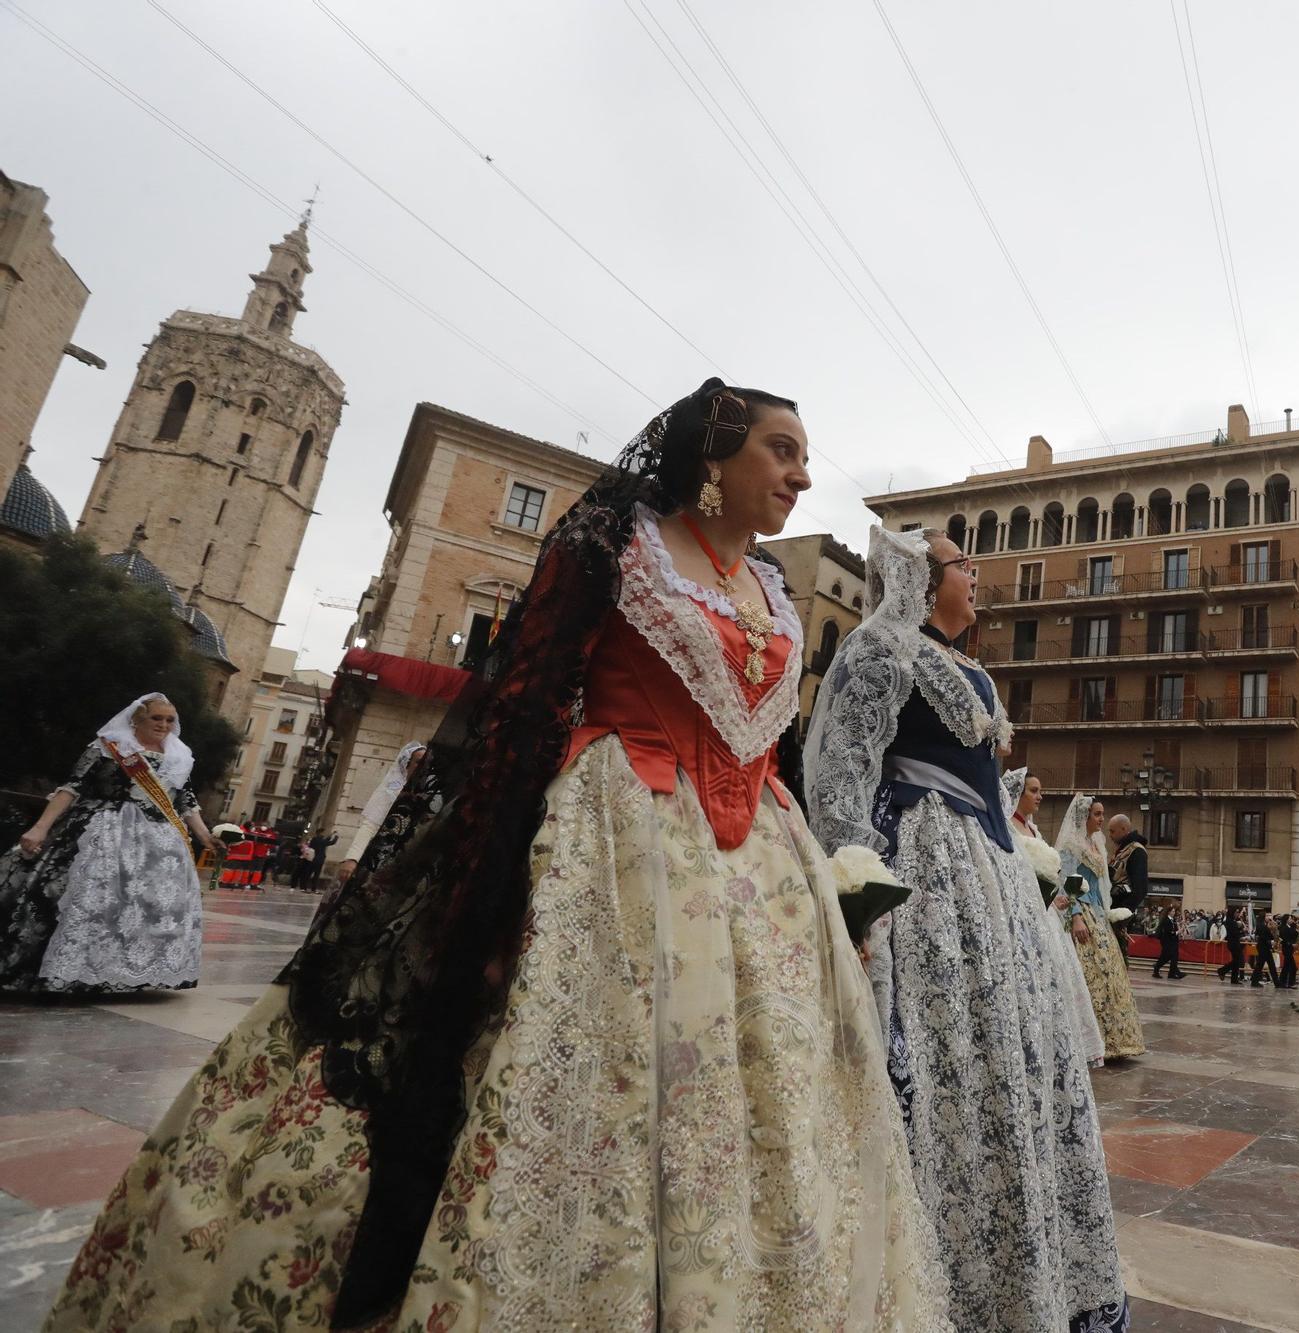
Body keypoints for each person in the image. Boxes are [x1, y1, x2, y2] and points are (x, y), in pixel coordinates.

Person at [46, 381, 950, 1330]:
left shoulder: (772, 588)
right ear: (714, 459)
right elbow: (522, 700)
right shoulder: (622, 547)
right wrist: (487, 871)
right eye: (781, 448)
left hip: (762, 859)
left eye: (804, 453)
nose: (803, 473)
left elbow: (776, 754)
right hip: (619, 836)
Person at [805, 525, 1126, 1332]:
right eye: (961, 564)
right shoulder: (884, 650)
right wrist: (860, 892)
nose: (976, 575)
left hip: (993, 877)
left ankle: (1025, 1273)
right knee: (943, 1055)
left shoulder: (972, 668)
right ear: (918, 575)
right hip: (929, 867)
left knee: (1018, 1056)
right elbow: (842, 771)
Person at [0, 693, 218, 995]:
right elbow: (72, 788)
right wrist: (40, 828)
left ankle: (126, 972)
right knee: (88, 898)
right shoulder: (109, 747)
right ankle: (67, 970)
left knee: (148, 907)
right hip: (105, 831)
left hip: (160, 841)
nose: (164, 724)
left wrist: (206, 836)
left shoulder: (179, 756)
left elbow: (184, 801)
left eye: (169, 719)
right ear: (136, 719)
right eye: (156, 717)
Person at [1006, 768, 1106, 1066]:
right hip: (1022, 914)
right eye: (1034, 791)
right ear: (1017, 794)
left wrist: (1057, 898)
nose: (1040, 796)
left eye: (1040, 790)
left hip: (1046, 913)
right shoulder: (1008, 826)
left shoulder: (1034, 830)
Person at [1055, 797, 1147, 1061]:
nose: (1101, 819)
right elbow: (1065, 882)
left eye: (1102, 814)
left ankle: (1115, 1040)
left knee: (1109, 974)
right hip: (1081, 912)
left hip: (1098, 913)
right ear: (1084, 816)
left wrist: (1111, 914)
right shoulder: (1072, 845)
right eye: (1097, 814)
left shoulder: (1097, 845)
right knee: (1088, 974)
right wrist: (1075, 916)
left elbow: (1103, 886)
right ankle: (1089, 1041)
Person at [332, 740, 430, 886]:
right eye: (418, 762)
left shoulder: (430, 794)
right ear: (407, 764)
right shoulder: (390, 793)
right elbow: (370, 826)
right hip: (379, 859)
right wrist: (352, 858)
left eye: (426, 763)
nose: (422, 767)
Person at [1105, 813, 1150, 959]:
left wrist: (1123, 914)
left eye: (1112, 831)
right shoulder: (1122, 850)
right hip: (1111, 908)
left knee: (1118, 957)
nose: (1110, 835)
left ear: (1123, 829)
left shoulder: (1136, 851)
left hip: (1119, 915)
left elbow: (1140, 888)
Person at [1153, 899, 1185, 979]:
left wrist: (1179, 926)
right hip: (1168, 943)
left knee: (1174, 957)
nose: (1174, 913)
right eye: (1173, 912)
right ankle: (1157, 968)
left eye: (1174, 911)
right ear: (1169, 912)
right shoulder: (1166, 921)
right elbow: (1170, 932)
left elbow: (1173, 930)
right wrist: (1179, 931)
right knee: (1165, 958)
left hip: (1173, 942)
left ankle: (1172, 973)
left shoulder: (1172, 920)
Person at [1248, 908, 1279, 988]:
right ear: (1263, 917)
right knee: (1263, 965)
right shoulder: (1262, 926)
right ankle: (1255, 982)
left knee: (1264, 965)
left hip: (1263, 947)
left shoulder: (1260, 925)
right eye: (1266, 916)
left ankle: (1255, 981)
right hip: (1264, 948)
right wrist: (1272, 929)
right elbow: (1269, 936)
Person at [1218, 906, 1247, 984]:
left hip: (1233, 943)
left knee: (1236, 961)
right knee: (1236, 961)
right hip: (1234, 944)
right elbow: (1235, 933)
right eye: (1236, 912)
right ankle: (1222, 970)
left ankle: (1233, 979)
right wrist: (1242, 931)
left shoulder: (1230, 921)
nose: (1237, 914)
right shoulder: (1231, 922)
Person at [1276, 910, 1299, 989]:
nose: (1291, 920)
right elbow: (1284, 938)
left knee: (1287, 966)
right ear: (1286, 919)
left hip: (1290, 949)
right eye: (1290, 919)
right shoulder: (1283, 928)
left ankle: (1284, 982)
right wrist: (1290, 944)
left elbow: (1294, 934)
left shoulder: (1290, 927)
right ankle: (1289, 982)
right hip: (1287, 948)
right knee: (1292, 966)